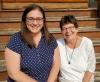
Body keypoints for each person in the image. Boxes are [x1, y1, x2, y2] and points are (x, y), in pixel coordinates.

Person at [5, 4, 60, 82]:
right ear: (25, 20)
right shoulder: (16, 39)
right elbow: (14, 73)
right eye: (31, 19)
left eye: (39, 19)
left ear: (43, 21)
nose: (35, 23)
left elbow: (56, 64)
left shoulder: (50, 38)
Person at [57, 15, 96, 82]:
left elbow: (90, 68)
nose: (68, 31)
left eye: (70, 27)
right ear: (61, 31)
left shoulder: (87, 43)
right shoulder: (58, 44)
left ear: (77, 29)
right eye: (64, 28)